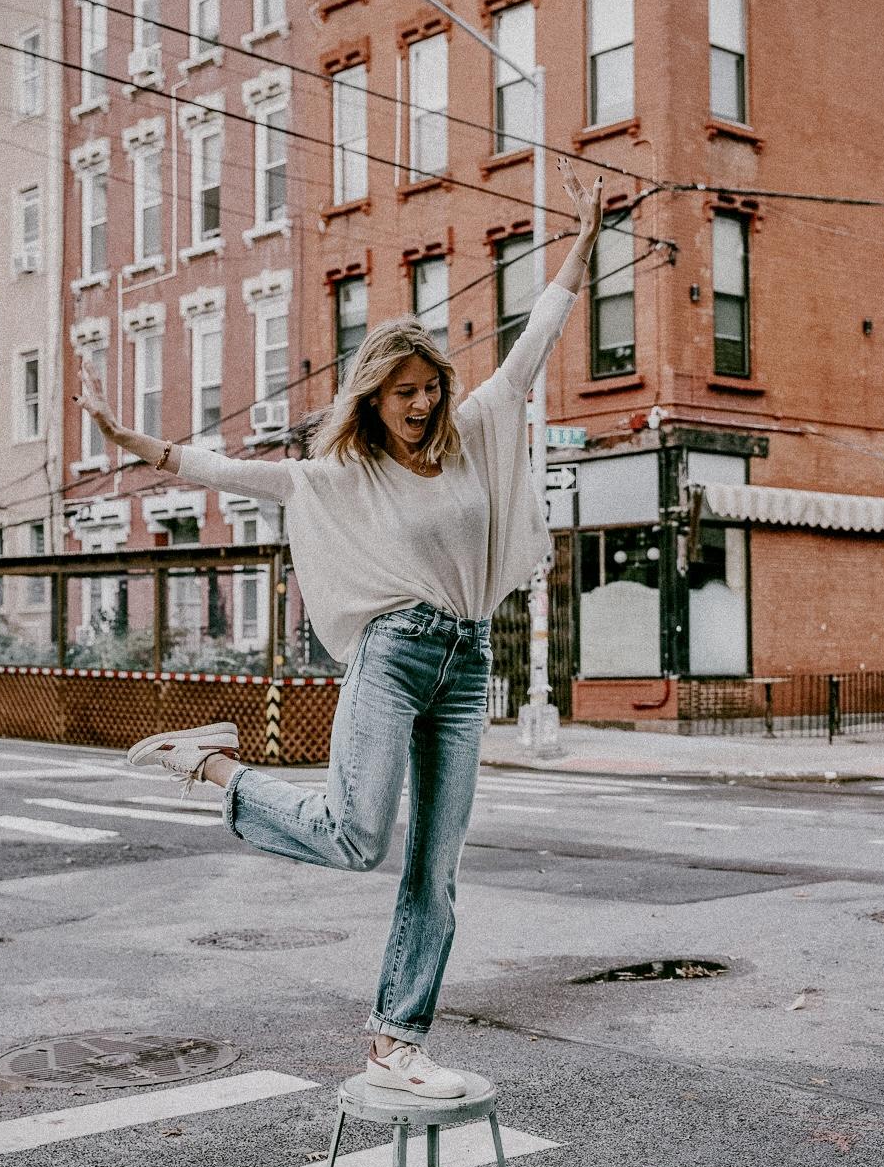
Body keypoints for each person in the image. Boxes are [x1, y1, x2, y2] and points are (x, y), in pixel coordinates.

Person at [78, 156, 602, 1099]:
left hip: (466, 663)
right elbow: (231, 471)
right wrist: (135, 445)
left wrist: (585, 239)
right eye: (402, 392)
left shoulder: (478, 430)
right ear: (372, 398)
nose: (421, 404)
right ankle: (214, 768)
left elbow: (537, 337)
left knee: (435, 870)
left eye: (428, 387)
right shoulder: (342, 477)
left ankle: (396, 1044)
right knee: (358, 837)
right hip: (395, 655)